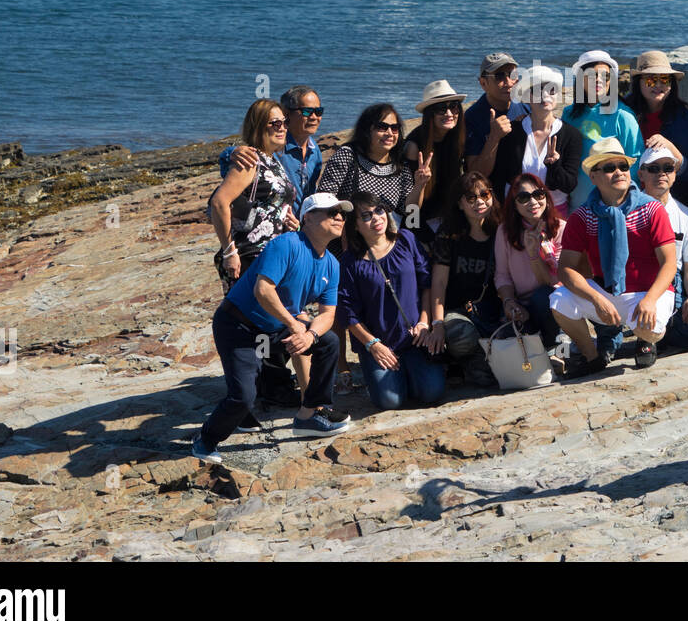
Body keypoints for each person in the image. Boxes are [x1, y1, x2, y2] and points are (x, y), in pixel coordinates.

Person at [192, 193, 352, 464]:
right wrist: (295, 326)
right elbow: (263, 290)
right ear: (308, 218)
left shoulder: (332, 264)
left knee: (328, 341)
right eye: (330, 212)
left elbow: (328, 314)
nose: (339, 217)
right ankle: (205, 439)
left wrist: (310, 334)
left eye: (342, 213)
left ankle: (309, 414)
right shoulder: (286, 244)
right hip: (238, 326)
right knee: (243, 397)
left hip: (275, 328)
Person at [550, 137, 678, 374]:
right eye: (609, 168)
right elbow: (565, 269)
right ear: (593, 177)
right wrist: (597, 299)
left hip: (648, 291)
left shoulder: (651, 209)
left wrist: (649, 300)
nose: (619, 172)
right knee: (558, 300)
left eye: (623, 166)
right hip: (606, 292)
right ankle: (592, 357)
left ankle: (645, 341)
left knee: (648, 329)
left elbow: (670, 263)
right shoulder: (582, 216)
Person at [335, 190, 446, 410]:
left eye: (379, 210)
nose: (376, 218)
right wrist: (372, 344)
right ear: (355, 226)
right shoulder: (350, 261)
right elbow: (347, 312)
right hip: (379, 343)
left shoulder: (406, 239)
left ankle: (408, 374)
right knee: (390, 401)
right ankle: (390, 376)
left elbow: (426, 283)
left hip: (415, 339)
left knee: (432, 392)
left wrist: (425, 322)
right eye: (366, 216)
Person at [209, 99, 299, 291]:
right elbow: (219, 202)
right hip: (250, 255)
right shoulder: (250, 160)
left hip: (273, 255)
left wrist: (291, 222)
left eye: (285, 122)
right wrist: (228, 251)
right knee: (250, 315)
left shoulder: (273, 160)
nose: (282, 128)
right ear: (258, 127)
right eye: (275, 124)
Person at [424, 172, 501, 387]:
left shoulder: (501, 230)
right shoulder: (449, 235)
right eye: (471, 198)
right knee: (460, 334)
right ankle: (468, 361)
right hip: (459, 311)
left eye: (485, 194)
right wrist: (437, 324)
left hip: (495, 309)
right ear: (460, 204)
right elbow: (439, 282)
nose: (480, 202)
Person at [635, 145, 688, 351]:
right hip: (636, 282)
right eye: (653, 168)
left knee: (687, 336)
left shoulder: (685, 216)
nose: (661, 174)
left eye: (668, 168)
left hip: (672, 285)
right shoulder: (626, 211)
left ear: (675, 175)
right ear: (641, 174)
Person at [489, 65, 581, 216]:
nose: (545, 95)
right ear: (526, 96)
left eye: (551, 90)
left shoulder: (571, 135)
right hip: (517, 213)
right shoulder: (512, 132)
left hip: (555, 212)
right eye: (537, 90)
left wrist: (555, 165)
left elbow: (569, 185)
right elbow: (501, 177)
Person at [563, 50, 645, 211]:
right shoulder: (568, 114)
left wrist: (622, 198)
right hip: (578, 202)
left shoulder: (623, 115)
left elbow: (635, 161)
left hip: (614, 204)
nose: (599, 80)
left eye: (605, 76)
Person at [222, 86, 324, 212]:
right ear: (287, 113)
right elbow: (247, 153)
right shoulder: (276, 145)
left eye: (318, 111)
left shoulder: (315, 151)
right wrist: (231, 152)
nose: (314, 117)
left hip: (299, 225)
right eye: (307, 111)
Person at [318, 103, 424, 221]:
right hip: (348, 233)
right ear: (367, 129)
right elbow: (325, 197)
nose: (389, 133)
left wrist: (420, 184)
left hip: (383, 234)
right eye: (382, 127)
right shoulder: (348, 155)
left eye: (394, 128)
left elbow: (409, 211)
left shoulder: (400, 165)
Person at [494, 172, 565, 347]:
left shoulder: (560, 228)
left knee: (544, 297)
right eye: (524, 197)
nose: (533, 202)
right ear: (514, 205)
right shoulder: (505, 232)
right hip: (520, 304)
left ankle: (556, 347)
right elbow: (502, 275)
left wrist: (534, 253)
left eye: (538, 194)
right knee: (505, 337)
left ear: (546, 198)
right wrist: (510, 302)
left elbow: (554, 280)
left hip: (552, 301)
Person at [623, 50, 688, 202]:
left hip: (671, 198)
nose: (658, 85)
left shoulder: (682, 117)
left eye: (664, 79)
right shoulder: (624, 113)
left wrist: (671, 149)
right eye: (651, 80)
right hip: (629, 196)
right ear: (638, 82)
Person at [403, 80, 467, 237]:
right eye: (441, 109)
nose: (449, 114)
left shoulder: (458, 138)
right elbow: (410, 208)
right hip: (421, 220)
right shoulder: (414, 147)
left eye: (454, 106)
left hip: (448, 217)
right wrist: (414, 236)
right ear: (429, 114)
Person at [464, 53, 530, 179]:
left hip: (523, 189)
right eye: (499, 76)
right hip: (491, 192)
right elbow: (475, 175)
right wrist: (494, 137)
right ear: (483, 83)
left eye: (513, 75)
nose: (508, 82)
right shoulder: (473, 117)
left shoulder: (527, 105)